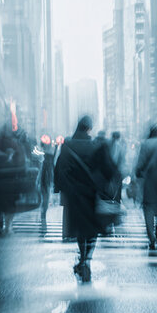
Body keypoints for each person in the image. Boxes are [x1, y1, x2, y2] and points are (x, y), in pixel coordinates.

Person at [54, 116, 117, 283]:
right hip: (91, 194)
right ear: (89, 128)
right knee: (91, 229)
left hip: (73, 195)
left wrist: (60, 188)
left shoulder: (67, 146)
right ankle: (87, 259)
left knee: (79, 229)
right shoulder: (97, 146)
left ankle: (82, 256)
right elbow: (109, 169)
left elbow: (59, 168)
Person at [38, 138, 56, 231]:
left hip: (44, 184)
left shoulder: (45, 162)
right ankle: (43, 216)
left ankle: (43, 215)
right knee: (45, 200)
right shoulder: (47, 163)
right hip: (44, 184)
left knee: (44, 200)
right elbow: (45, 175)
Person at [108, 131, 127, 202]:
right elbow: (121, 159)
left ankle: (111, 199)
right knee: (116, 189)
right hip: (117, 170)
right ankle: (116, 200)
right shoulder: (119, 145)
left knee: (111, 187)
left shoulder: (109, 144)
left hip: (111, 170)